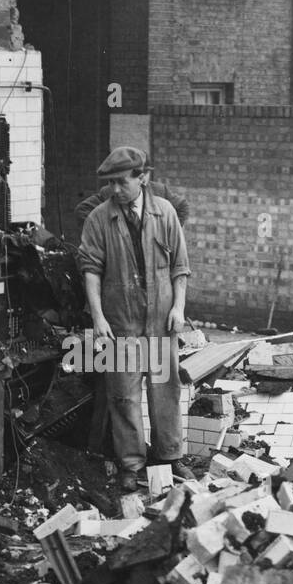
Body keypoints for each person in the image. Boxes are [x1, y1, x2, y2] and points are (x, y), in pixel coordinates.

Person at [76, 146, 192, 494]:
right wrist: (98, 318)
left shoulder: (165, 212)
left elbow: (180, 267)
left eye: (121, 182)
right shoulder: (99, 218)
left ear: (143, 178)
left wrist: (178, 308)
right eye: (109, 183)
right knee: (123, 396)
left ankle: (170, 457)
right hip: (120, 324)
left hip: (160, 321)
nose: (114, 189)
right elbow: (91, 270)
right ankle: (131, 464)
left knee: (165, 392)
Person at [76, 175, 189, 230]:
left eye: (146, 172)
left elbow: (182, 207)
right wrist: (107, 230)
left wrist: (168, 231)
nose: (144, 177)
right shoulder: (111, 192)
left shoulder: (159, 191)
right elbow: (82, 210)